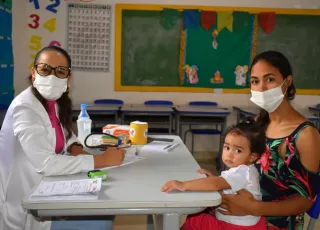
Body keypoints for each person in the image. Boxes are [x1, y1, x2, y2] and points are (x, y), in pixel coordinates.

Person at [0, 46, 126, 230]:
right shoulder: (24, 108)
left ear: (68, 78)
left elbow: (65, 136)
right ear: (34, 73)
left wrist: (75, 147)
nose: (51, 77)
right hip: (24, 206)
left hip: (47, 190)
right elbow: (46, 164)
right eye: (45, 69)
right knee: (101, 220)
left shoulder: (53, 103)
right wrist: (100, 160)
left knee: (104, 209)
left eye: (60, 71)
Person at [219, 51, 320, 230]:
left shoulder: (306, 135)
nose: (261, 88)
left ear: (287, 82)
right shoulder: (258, 124)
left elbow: (306, 200)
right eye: (255, 81)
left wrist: (254, 208)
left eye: (270, 79)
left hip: (275, 224)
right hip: (242, 216)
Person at [161, 118, 267, 230]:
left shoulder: (243, 171)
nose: (229, 154)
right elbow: (226, 184)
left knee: (194, 220)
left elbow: (216, 184)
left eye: (238, 151)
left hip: (234, 226)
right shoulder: (246, 170)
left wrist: (182, 185)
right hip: (246, 223)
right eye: (227, 147)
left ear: (253, 156)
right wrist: (214, 178)